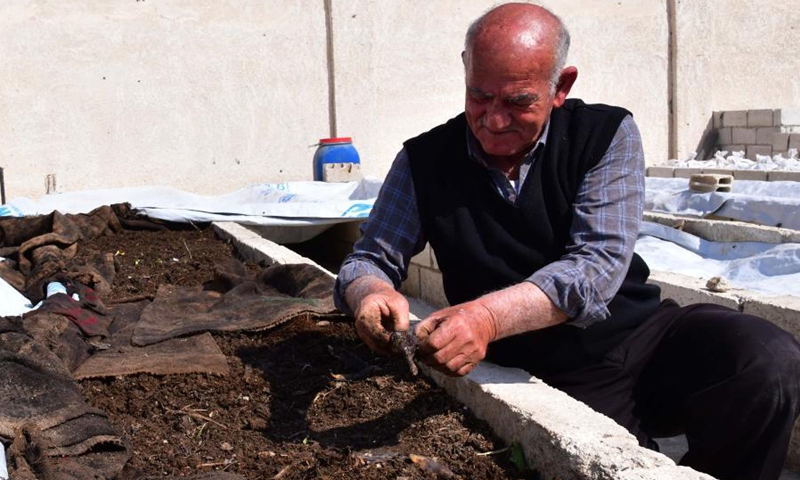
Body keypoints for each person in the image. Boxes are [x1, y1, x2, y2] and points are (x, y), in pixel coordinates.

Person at [334, 3, 800, 480]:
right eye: (479, 96)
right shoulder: (424, 160)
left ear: (562, 87)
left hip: (639, 334)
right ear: (466, 73)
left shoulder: (603, 134)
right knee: (620, 462)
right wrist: (370, 293)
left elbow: (595, 267)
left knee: (765, 358)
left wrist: (486, 316)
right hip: (550, 367)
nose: (494, 119)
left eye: (518, 101)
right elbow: (370, 257)